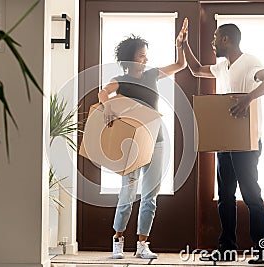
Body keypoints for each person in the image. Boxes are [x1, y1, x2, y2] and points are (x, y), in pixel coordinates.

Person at [182, 19, 264, 264]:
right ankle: (226, 248)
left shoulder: (250, 62)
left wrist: (246, 100)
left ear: (226, 39)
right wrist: (183, 45)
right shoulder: (222, 66)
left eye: (215, 38)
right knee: (225, 196)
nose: (213, 42)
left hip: (246, 143)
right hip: (225, 143)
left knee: (251, 195)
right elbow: (196, 69)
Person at [97, 23, 187, 259]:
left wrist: (180, 45)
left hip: (156, 141)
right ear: (130, 59)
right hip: (133, 145)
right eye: (141, 56)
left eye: (146, 56)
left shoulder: (152, 74)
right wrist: (107, 105)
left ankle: (142, 246)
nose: (145, 60)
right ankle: (118, 242)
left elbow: (180, 65)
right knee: (127, 195)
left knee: (150, 197)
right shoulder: (121, 80)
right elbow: (103, 92)